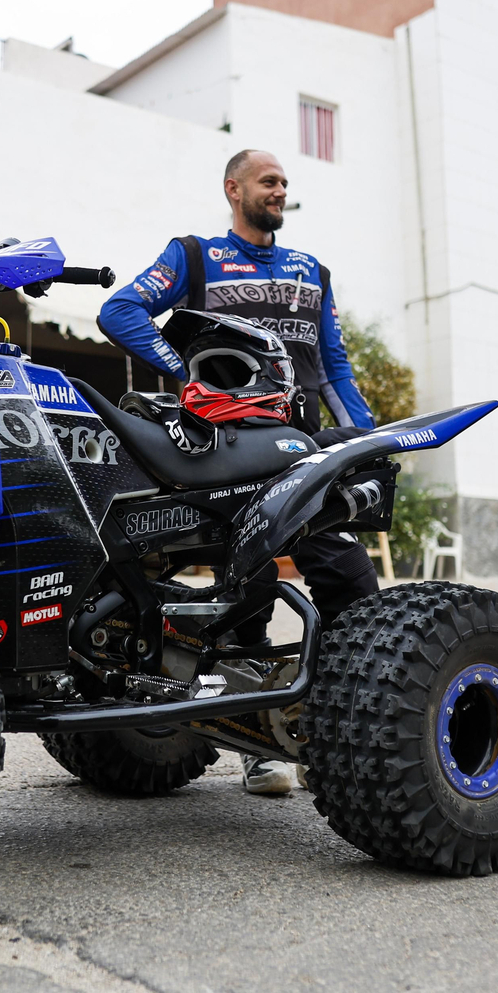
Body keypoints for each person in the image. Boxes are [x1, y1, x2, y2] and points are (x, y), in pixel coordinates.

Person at [98, 149, 380, 796]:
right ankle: (258, 748)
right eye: (267, 180)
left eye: (284, 182)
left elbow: (334, 366)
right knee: (244, 586)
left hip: (300, 448)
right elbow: (121, 313)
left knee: (348, 577)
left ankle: (344, 729)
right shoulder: (195, 255)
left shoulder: (312, 272)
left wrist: (365, 438)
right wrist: (189, 375)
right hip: (222, 450)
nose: (280, 189)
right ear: (233, 189)